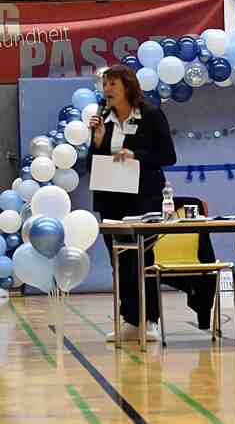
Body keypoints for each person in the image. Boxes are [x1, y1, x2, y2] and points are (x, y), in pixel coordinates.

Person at [88, 65, 177, 342]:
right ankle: (129, 319)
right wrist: (97, 141)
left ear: (127, 86)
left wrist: (135, 154)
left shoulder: (150, 114)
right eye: (105, 85)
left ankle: (149, 320)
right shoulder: (104, 118)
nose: (107, 89)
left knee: (141, 259)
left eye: (112, 84)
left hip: (143, 197)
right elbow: (94, 163)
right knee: (119, 261)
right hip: (110, 198)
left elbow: (168, 155)